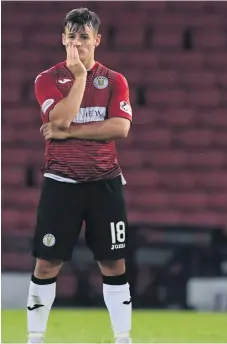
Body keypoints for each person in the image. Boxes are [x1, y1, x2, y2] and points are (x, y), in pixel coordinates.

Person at [30, 8, 133, 344]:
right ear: (62, 39)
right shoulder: (46, 79)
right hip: (62, 184)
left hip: (105, 184)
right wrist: (78, 79)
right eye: (71, 36)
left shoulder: (115, 80)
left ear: (97, 41)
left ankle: (122, 337)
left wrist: (69, 133)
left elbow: (120, 127)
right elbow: (58, 121)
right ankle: (35, 338)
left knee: (113, 263)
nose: (77, 43)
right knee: (46, 264)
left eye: (84, 37)